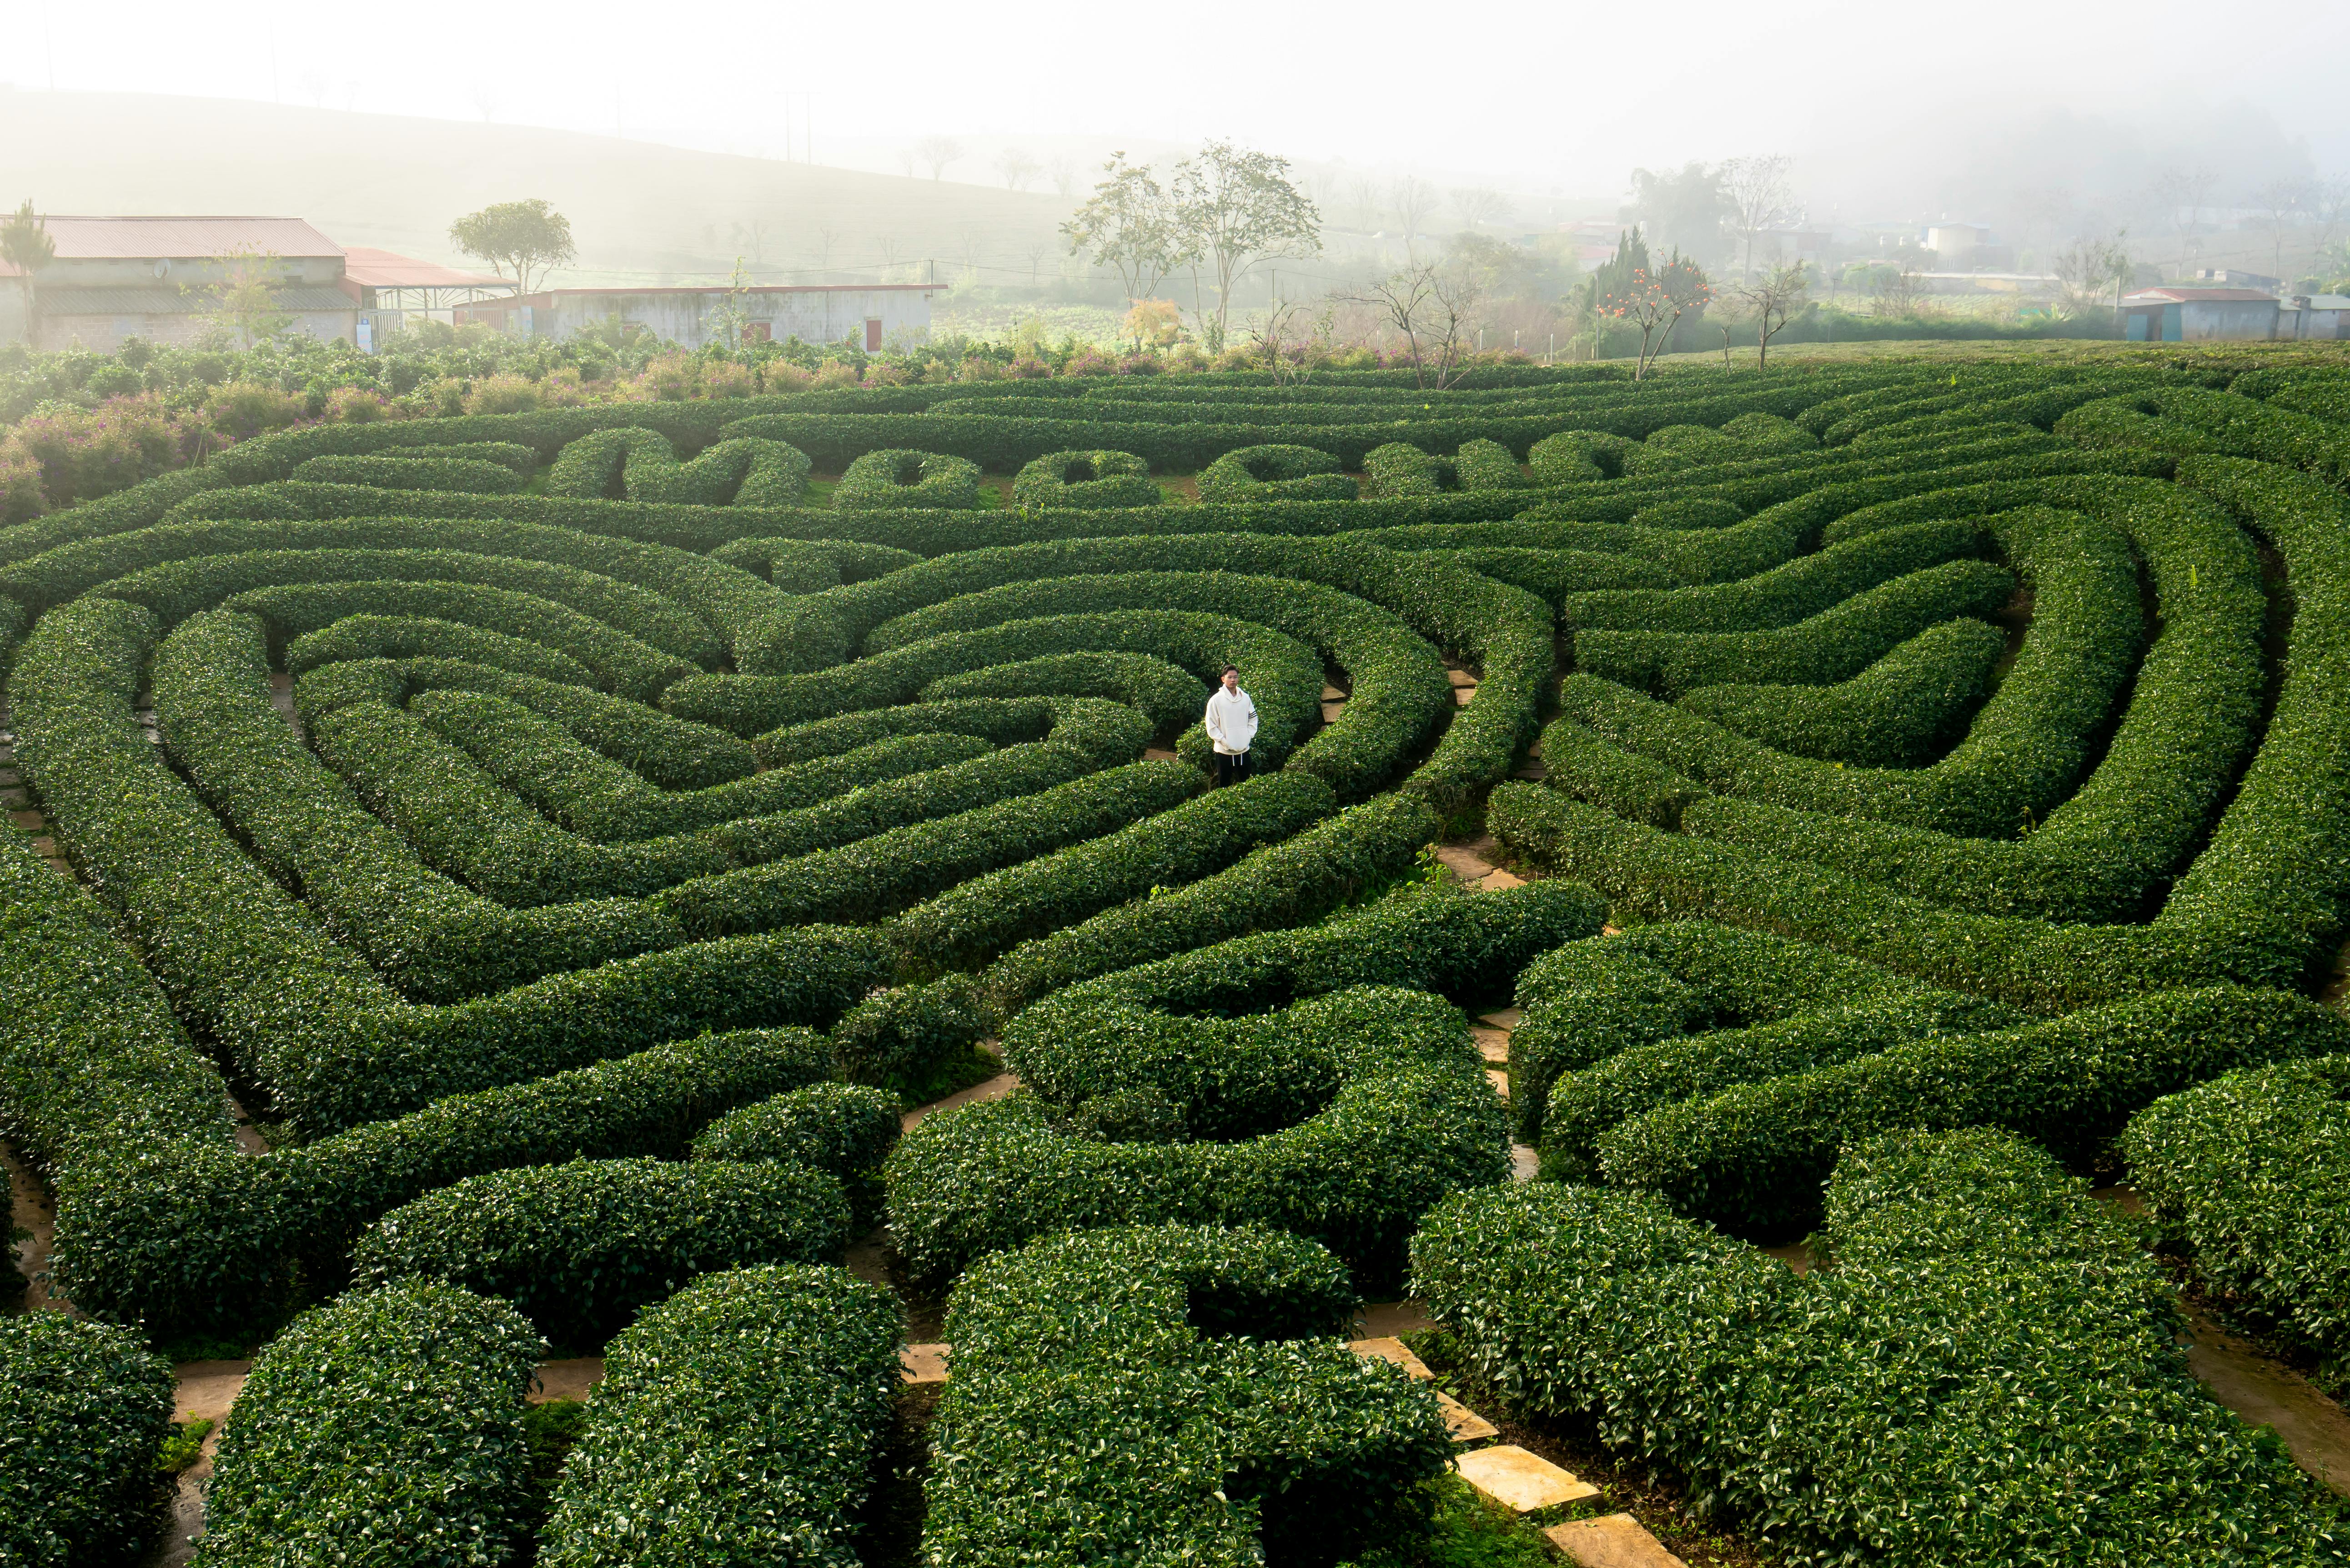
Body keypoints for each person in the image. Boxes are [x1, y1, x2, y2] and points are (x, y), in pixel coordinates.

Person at [1203, 665, 1257, 787]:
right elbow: (1211, 726)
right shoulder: (1215, 700)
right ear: (1223, 679)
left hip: (1244, 751)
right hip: (1224, 753)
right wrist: (1225, 743)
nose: (1233, 680)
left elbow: (1253, 718)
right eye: (1230, 677)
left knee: (1247, 785)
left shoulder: (1245, 698)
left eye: (1236, 677)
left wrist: (1248, 736)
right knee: (1224, 785)